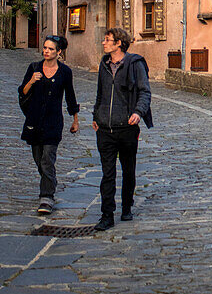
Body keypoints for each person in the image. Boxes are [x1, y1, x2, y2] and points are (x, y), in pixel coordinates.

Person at [92, 27, 152, 231]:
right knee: (107, 174)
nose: (104, 42)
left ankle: (127, 205)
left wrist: (138, 112)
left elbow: (145, 92)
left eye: (107, 40)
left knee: (128, 170)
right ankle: (106, 215)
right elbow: (100, 92)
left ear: (119, 43)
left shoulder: (134, 65)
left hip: (127, 128)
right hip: (105, 129)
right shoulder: (104, 64)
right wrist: (96, 115)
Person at [19, 35, 80, 215]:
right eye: (45, 48)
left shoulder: (65, 72)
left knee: (47, 158)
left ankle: (46, 197)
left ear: (58, 52)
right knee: (39, 159)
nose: (46, 51)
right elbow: (22, 92)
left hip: (53, 122)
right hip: (34, 121)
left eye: (50, 49)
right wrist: (31, 81)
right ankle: (50, 181)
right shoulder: (34, 68)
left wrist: (75, 120)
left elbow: (70, 96)